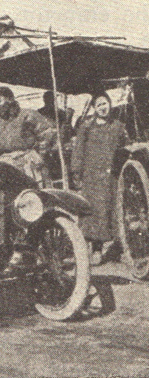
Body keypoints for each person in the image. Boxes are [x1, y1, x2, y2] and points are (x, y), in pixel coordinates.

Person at [71, 92, 129, 265]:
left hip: (112, 175)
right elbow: (78, 150)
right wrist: (76, 171)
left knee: (114, 210)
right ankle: (96, 250)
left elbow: (126, 148)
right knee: (93, 212)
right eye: (99, 105)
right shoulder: (86, 127)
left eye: (105, 104)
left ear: (110, 104)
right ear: (94, 108)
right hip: (92, 176)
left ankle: (120, 248)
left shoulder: (118, 126)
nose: (103, 108)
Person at [0, 86, 56, 187]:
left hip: (29, 164)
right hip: (5, 165)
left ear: (10, 99)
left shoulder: (28, 115)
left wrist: (40, 157)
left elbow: (47, 134)